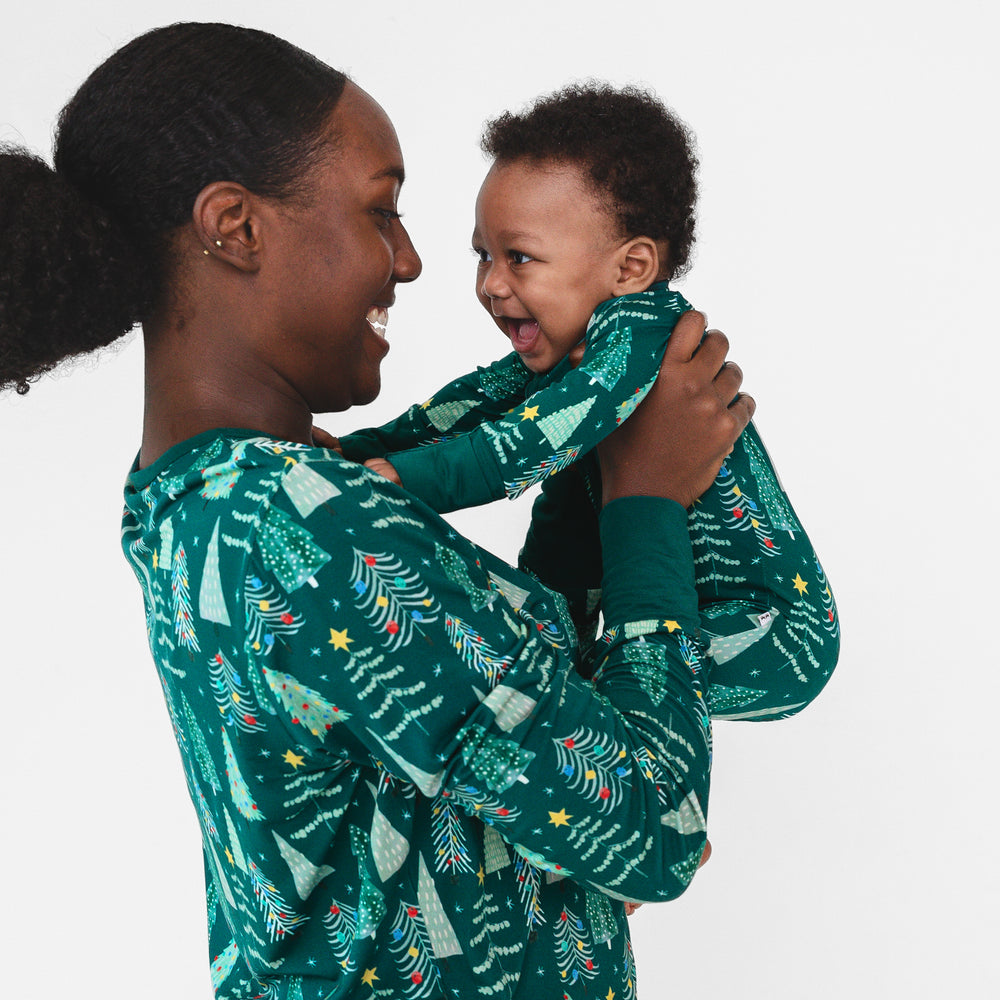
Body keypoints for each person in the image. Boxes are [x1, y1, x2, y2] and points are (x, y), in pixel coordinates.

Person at [0, 23, 755, 1000]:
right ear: (235, 226)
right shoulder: (303, 523)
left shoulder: (205, 494)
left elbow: (518, 757)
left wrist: (587, 477)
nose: (408, 262)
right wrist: (648, 501)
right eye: (380, 211)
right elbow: (653, 835)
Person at [340, 84, 840, 715]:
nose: (491, 284)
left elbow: (528, 442)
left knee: (593, 686)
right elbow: (473, 403)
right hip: (644, 584)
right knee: (544, 632)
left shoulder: (642, 335)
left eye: (519, 258)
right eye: (483, 256)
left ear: (630, 269)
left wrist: (406, 479)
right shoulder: (570, 344)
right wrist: (356, 450)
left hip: (769, 633)